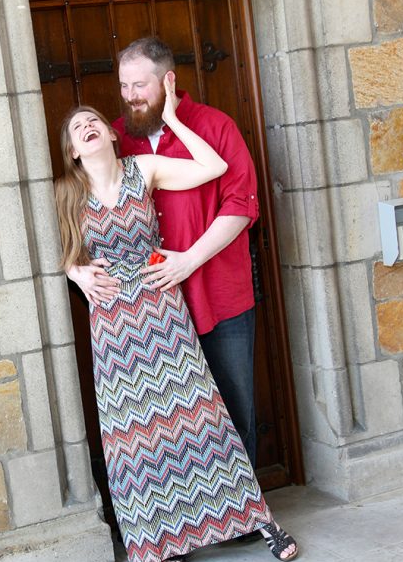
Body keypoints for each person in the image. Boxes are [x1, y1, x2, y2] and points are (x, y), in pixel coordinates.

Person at [55, 82, 298, 562]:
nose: (88, 127)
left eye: (94, 121)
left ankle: (259, 519)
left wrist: (176, 121)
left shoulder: (143, 169)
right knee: (138, 433)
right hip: (113, 326)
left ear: (111, 134)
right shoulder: (66, 195)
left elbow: (214, 168)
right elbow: (57, 254)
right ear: (73, 152)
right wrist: (75, 272)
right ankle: (163, 538)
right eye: (78, 129)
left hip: (161, 308)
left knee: (198, 416)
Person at [70, 37, 260, 473]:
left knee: (232, 410)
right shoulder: (114, 140)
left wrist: (189, 259)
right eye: (124, 86)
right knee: (170, 421)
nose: (131, 96)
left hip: (218, 295)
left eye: (140, 85)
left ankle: (246, 518)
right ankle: (189, 518)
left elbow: (241, 203)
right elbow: (71, 218)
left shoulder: (215, 127)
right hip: (153, 313)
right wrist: (75, 269)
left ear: (168, 81)